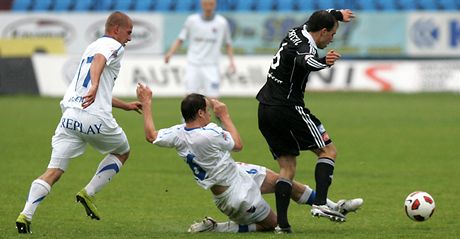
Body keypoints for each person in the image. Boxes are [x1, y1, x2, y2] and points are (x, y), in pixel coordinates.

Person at [136, 84, 362, 233]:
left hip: (238, 173)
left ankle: (334, 206)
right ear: (201, 114)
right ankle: (218, 228)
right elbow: (239, 144)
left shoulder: (178, 133)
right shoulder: (210, 133)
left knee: (287, 184)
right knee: (270, 225)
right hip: (235, 195)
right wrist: (225, 116)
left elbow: (151, 135)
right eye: (207, 108)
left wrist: (147, 104)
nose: (210, 111)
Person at [15, 11, 142, 234]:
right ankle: (89, 192)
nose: (129, 38)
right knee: (123, 152)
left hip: (70, 116)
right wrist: (94, 86)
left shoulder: (91, 47)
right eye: (128, 32)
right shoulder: (114, 47)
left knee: (53, 170)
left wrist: (127, 106)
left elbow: (97, 83)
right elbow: (100, 64)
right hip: (95, 118)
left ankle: (25, 214)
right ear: (116, 30)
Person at [256, 9, 356, 233]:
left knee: (287, 167)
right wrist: (325, 62)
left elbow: (317, 16)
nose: (333, 38)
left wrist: (337, 14)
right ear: (322, 32)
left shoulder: (297, 30)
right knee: (328, 151)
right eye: (332, 34)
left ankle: (282, 225)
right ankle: (320, 203)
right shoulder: (307, 46)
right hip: (288, 108)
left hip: (265, 109)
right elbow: (305, 60)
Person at [164, 0, 235, 98]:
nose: (208, 7)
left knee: (214, 99)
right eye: (206, 4)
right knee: (189, 97)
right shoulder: (192, 20)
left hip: (212, 65)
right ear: (202, 4)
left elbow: (228, 43)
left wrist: (232, 62)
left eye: (211, 4)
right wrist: (170, 53)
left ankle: (210, 114)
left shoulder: (221, 22)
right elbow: (180, 38)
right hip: (194, 64)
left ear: (215, 4)